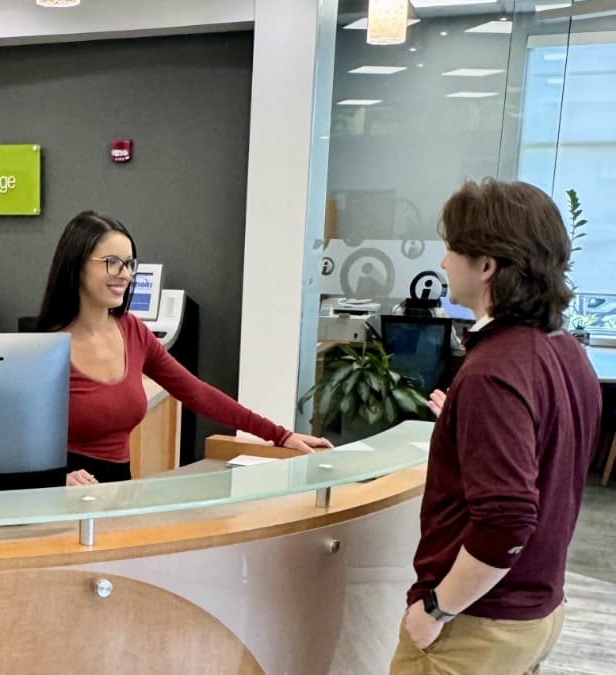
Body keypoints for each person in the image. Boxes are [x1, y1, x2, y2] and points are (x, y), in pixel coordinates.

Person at [390, 179, 602, 675]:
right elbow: (548, 450)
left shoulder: (493, 371)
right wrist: (471, 428)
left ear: (486, 265)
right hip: (537, 611)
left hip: (477, 626)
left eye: (452, 249)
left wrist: (436, 609)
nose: (443, 263)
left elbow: (506, 518)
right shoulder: (564, 351)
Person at [36, 211, 331, 485]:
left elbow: (197, 393)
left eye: (129, 264)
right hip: (63, 493)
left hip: (117, 489)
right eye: (112, 262)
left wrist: (280, 435)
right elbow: (12, 447)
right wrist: (59, 479)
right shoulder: (46, 350)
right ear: (76, 264)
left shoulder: (133, 331)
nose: (125, 274)